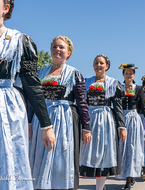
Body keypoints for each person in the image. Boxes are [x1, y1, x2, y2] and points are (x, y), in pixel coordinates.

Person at [0, 1, 55, 190]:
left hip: (7, 108)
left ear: (5, 8)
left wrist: (46, 125)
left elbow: (32, 85)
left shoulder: (19, 41)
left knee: (10, 159)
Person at [29, 36, 92, 190]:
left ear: (68, 53)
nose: (58, 50)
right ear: (51, 50)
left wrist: (86, 126)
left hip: (64, 119)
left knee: (60, 158)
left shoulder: (74, 73)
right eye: (55, 47)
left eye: (62, 47)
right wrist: (29, 122)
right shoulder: (40, 72)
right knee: (40, 154)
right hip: (41, 120)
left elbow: (82, 101)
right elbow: (33, 99)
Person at [79, 55, 127, 190]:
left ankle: (100, 187)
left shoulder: (113, 83)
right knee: (89, 151)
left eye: (101, 63)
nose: (98, 65)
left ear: (107, 66)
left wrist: (122, 126)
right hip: (89, 119)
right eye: (96, 63)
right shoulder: (86, 82)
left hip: (106, 120)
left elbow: (117, 107)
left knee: (105, 152)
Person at [115, 65, 145, 189]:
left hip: (134, 118)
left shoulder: (138, 89)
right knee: (122, 148)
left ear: (134, 75)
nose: (129, 75)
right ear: (123, 74)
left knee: (132, 148)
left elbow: (143, 106)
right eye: (126, 73)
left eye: (131, 73)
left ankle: (129, 178)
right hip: (121, 118)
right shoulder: (118, 87)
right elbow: (116, 105)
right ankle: (124, 174)